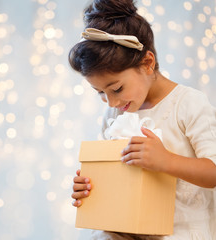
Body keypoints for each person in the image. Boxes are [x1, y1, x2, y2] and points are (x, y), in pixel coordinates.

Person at [68, 0, 216, 239]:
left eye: (116, 89)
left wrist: (166, 160)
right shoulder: (115, 114)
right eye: (100, 93)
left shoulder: (188, 104)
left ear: (147, 63)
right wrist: (90, 186)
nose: (111, 102)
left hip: (180, 231)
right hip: (128, 228)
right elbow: (116, 174)